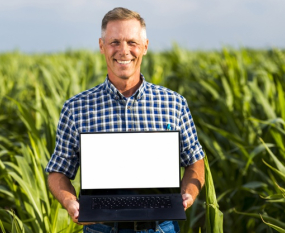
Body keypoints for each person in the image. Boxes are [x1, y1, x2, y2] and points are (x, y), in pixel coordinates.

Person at [45, 7, 205, 233]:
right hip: (100, 227)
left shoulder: (174, 103)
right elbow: (57, 171)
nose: (123, 50)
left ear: (145, 47)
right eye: (114, 42)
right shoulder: (76, 108)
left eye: (132, 42)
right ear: (102, 46)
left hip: (160, 227)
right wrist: (71, 202)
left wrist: (187, 194)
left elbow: (195, 161)